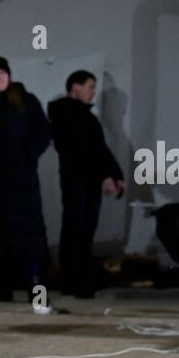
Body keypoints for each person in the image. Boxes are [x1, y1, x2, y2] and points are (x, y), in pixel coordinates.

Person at [0, 57, 52, 302]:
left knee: (28, 234)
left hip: (22, 182)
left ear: (9, 76)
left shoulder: (26, 102)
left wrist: (27, 156)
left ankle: (35, 286)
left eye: (1, 73)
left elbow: (43, 132)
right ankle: (5, 285)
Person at [48, 70, 124, 298]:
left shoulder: (86, 118)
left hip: (88, 180)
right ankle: (73, 280)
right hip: (76, 180)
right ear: (76, 87)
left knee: (84, 229)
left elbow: (98, 148)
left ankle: (79, 278)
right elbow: (85, 149)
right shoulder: (65, 114)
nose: (93, 92)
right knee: (76, 228)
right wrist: (108, 175)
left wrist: (113, 174)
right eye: (90, 86)